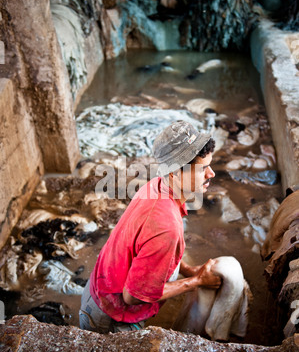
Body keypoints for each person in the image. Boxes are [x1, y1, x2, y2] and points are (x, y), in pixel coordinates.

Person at [79, 120, 221, 334]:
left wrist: (186, 270)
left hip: (97, 290)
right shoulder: (166, 225)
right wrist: (196, 281)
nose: (211, 174)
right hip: (112, 318)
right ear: (175, 173)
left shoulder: (155, 186)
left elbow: (147, 249)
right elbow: (132, 296)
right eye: (203, 169)